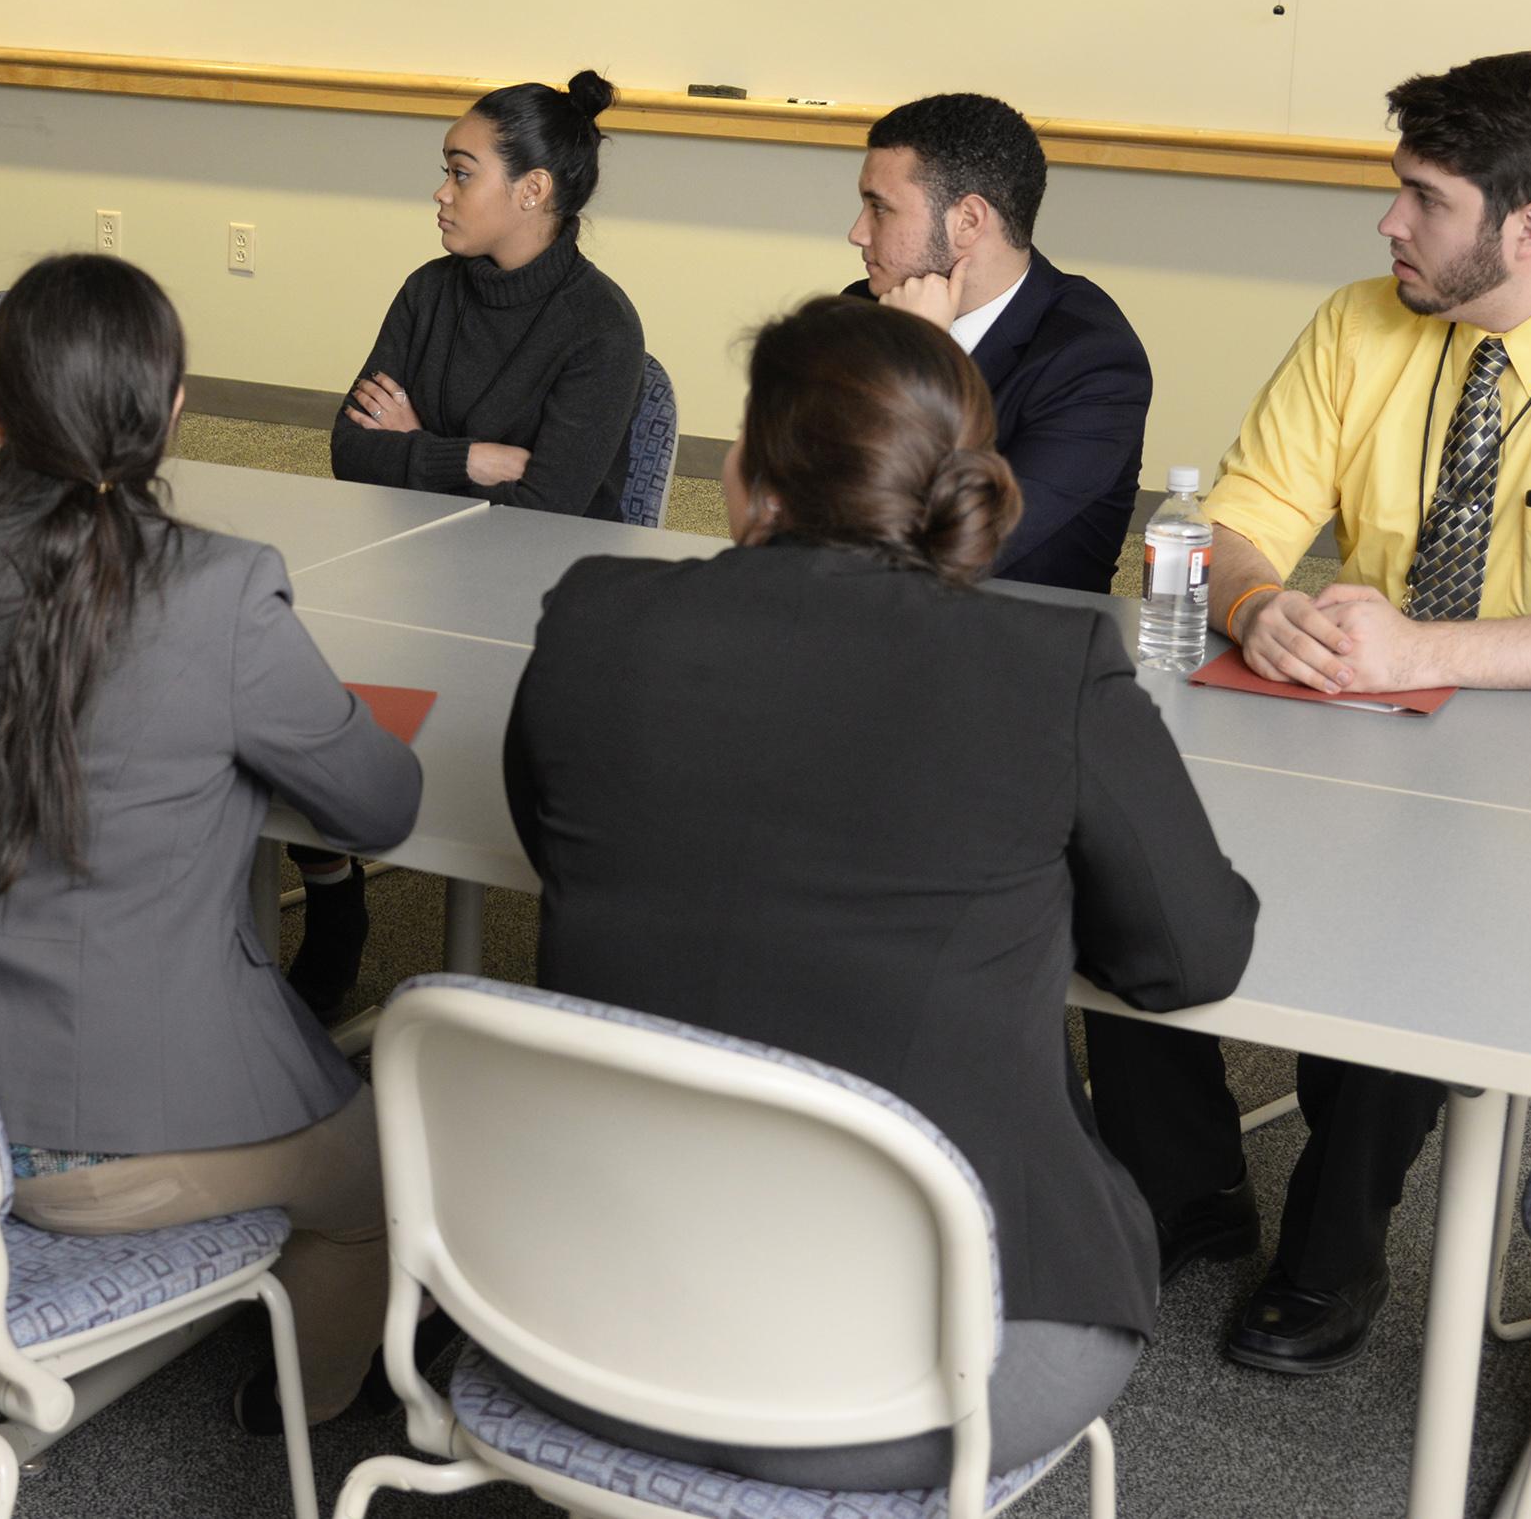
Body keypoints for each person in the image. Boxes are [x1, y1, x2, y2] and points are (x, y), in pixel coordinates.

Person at [1089, 49, 1531, 1376]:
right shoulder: (1364, 319)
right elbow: (1233, 522)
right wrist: (1252, 604)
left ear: (1530, 227)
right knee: (1111, 832)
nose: (1388, 221)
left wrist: (1424, 643)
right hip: (1349, 715)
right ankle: (1187, 1188)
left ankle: (1334, 1244)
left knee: (1425, 901)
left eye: (1422, 195)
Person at [501, 295, 1259, 1491]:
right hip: (930, 1378)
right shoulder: (1047, 664)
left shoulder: (595, 613)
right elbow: (1191, 957)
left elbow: (560, 845)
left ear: (747, 474)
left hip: (575, 1325)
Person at [0, 253, 423, 1432]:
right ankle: (300, 1416)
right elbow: (381, 808)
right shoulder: (223, 592)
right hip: (115, 1140)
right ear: (175, 413)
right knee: (386, 1175)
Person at [316, 69, 645, 1010]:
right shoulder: (430, 291)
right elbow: (347, 447)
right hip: (409, 583)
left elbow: (545, 505)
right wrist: (480, 459)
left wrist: (419, 444)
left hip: (539, 611)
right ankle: (338, 904)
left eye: (461, 172)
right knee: (291, 705)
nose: (441, 192)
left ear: (532, 190)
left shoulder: (600, 326)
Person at [843, 92, 1154, 592]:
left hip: (1015, 643)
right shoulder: (864, 307)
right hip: (858, 610)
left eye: (880, 209)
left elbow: (964, 548)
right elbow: (784, 497)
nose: (857, 233)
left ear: (967, 220)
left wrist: (920, 356)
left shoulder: (1093, 360)